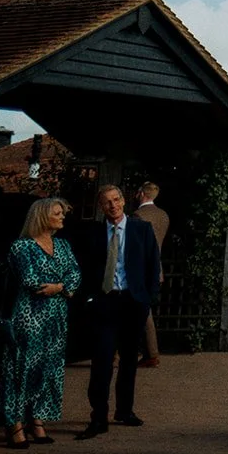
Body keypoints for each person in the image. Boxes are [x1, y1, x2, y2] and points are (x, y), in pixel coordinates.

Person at [0, 197, 81, 448]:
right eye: (57, 213)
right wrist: (61, 285)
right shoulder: (22, 247)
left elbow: (75, 272)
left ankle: (37, 421)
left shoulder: (63, 245)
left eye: (63, 213)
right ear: (43, 216)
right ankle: (14, 424)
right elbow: (32, 281)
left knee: (49, 370)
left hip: (57, 320)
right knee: (21, 370)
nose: (62, 216)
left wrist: (60, 286)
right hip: (29, 319)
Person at [77, 184, 161, 440]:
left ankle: (124, 410)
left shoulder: (142, 230)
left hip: (132, 302)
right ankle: (98, 416)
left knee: (128, 361)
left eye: (116, 200)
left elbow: (152, 265)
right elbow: (85, 267)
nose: (112, 206)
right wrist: (89, 300)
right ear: (101, 206)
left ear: (124, 201)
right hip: (105, 302)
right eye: (106, 202)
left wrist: (147, 300)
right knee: (102, 360)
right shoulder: (93, 233)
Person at [131, 182, 168, 367]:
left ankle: (150, 353)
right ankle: (150, 352)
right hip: (156, 268)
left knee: (140, 311)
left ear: (141, 193)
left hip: (140, 269)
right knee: (145, 311)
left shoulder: (138, 216)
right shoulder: (163, 215)